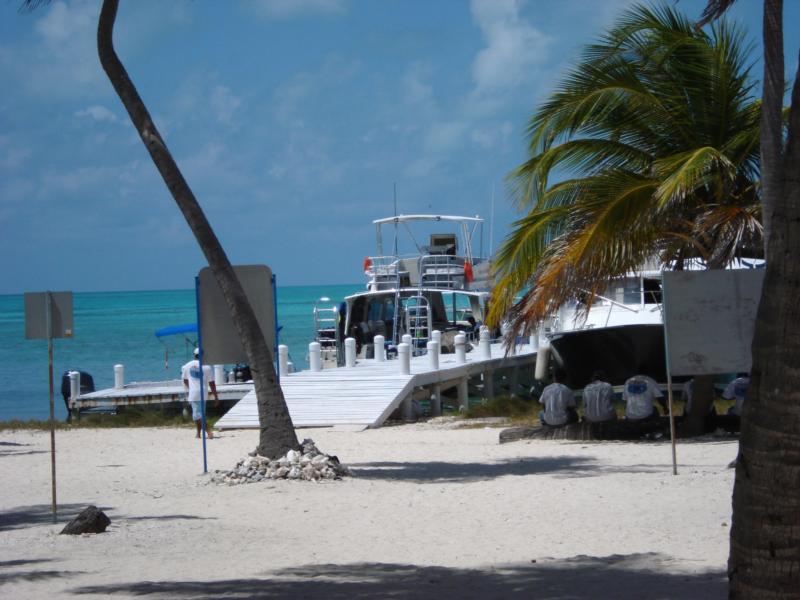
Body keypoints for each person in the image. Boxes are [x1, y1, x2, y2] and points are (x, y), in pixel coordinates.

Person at [181, 348, 220, 439]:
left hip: (194, 393)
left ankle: (208, 432)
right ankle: (198, 433)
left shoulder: (187, 366)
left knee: (197, 415)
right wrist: (216, 396)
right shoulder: (206, 367)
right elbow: (212, 383)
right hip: (203, 393)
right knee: (200, 413)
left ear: (194, 355)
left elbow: (185, 380)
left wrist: (191, 387)